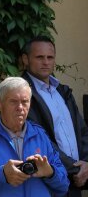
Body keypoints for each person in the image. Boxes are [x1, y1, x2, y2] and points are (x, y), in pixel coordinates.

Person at [0, 77, 69, 197]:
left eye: (25, 101)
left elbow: (64, 185)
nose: (20, 107)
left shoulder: (40, 134)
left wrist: (50, 172)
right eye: (13, 101)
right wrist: (1, 174)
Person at [21, 36, 88, 197]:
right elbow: (39, 139)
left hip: (76, 180)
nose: (46, 62)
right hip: (47, 181)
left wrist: (86, 165)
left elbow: (82, 131)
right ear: (25, 59)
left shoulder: (63, 91)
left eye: (50, 57)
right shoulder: (22, 93)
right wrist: (76, 169)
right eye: (39, 57)